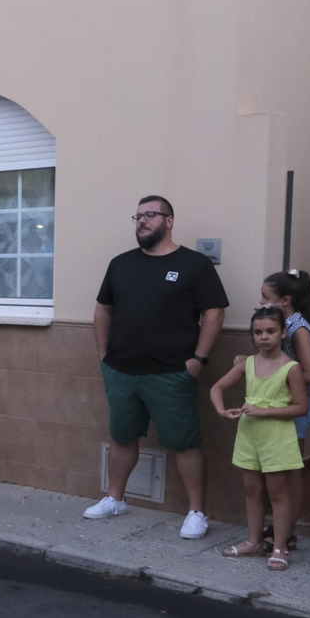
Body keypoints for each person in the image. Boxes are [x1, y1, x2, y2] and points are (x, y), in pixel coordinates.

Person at [87, 195, 228, 538]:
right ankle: (114, 498)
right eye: (138, 215)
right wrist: (104, 355)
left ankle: (197, 512)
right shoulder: (121, 263)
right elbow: (103, 309)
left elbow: (215, 312)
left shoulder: (194, 264)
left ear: (169, 221)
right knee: (121, 436)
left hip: (171, 373)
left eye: (151, 215)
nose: (142, 221)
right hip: (121, 370)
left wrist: (198, 359)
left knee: (184, 443)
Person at [210, 308, 308, 571]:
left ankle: (279, 546)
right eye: (258, 332)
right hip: (249, 436)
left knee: (278, 493)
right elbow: (217, 387)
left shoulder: (291, 368)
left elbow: (301, 407)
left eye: (270, 331)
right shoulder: (247, 363)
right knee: (252, 491)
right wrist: (222, 410)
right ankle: (253, 541)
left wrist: (266, 411)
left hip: (276, 438)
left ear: (283, 333)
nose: (264, 337)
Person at [259, 268, 310, 550]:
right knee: (280, 471)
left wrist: (277, 375)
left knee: (291, 472)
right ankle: (281, 526)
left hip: (297, 409)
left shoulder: (298, 328)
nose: (261, 304)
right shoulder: (284, 325)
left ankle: (288, 530)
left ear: (284, 300)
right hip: (283, 408)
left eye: (265, 298)